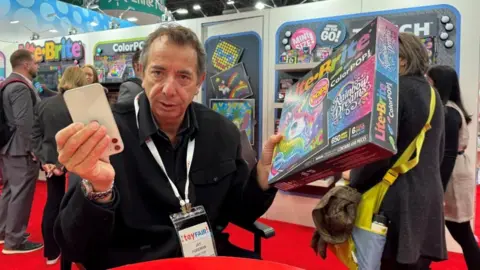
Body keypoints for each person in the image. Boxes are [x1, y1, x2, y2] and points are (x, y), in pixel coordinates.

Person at [53, 24, 281, 269]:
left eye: (183, 77)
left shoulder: (222, 132)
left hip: (205, 258)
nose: (169, 89)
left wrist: (262, 179)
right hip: (134, 261)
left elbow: (241, 212)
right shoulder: (105, 134)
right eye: (158, 73)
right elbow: (74, 247)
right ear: (141, 72)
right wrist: (99, 190)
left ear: (199, 82)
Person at [349, 33, 446, 269]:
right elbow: (439, 153)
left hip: (395, 199)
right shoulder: (433, 95)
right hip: (427, 196)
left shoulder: (392, 92)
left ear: (402, 60)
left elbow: (377, 153)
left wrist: (354, 183)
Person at [31, 66, 88, 265]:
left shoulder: (45, 104)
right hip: (77, 163)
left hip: (50, 162)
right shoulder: (81, 106)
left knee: (53, 203)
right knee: (77, 206)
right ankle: (73, 251)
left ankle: (51, 251)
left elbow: (35, 135)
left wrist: (45, 160)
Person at [427, 65, 480, 269]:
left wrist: (436, 188)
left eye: (430, 81)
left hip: (453, 176)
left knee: (461, 231)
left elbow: (447, 154)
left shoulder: (449, 112)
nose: (427, 84)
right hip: (455, 172)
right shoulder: (450, 109)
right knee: (455, 230)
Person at [0, 49, 43, 254]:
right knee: (20, 193)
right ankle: (14, 241)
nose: (37, 66)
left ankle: (4, 232)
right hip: (20, 149)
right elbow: (25, 124)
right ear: (26, 64)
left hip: (10, 147)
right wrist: (34, 149)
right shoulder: (19, 87)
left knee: (10, 191)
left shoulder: (8, 83)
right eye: (35, 62)